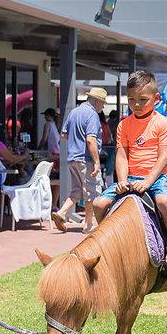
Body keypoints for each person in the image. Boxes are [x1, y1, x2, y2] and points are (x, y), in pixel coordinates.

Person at [93, 71, 167, 264]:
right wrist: (122, 180)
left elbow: (163, 157)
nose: (137, 105)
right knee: (98, 204)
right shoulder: (123, 125)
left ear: (156, 99)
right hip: (131, 177)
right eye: (132, 100)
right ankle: (109, 240)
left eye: (143, 99)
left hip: (158, 178)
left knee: (164, 201)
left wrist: (148, 181)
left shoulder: (163, 123)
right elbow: (122, 155)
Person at [51, 88, 105, 233]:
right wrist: (97, 162)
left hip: (72, 157)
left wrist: (76, 140)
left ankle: (61, 212)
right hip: (85, 158)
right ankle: (88, 225)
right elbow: (91, 140)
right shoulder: (92, 114)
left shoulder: (74, 112)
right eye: (103, 103)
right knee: (91, 192)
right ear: (97, 101)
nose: (103, 107)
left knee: (76, 190)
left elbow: (64, 135)